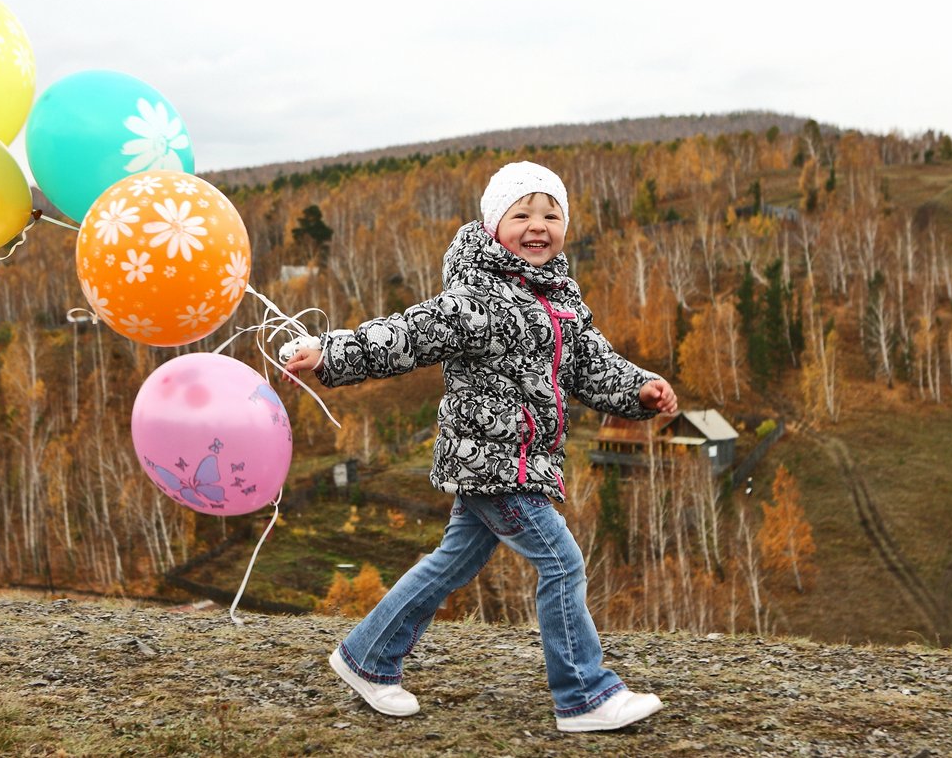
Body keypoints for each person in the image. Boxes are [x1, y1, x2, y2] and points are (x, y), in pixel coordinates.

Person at [283, 161, 678, 733]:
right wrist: (332, 353)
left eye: (551, 214)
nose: (537, 225)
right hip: (493, 463)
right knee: (561, 563)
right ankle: (586, 696)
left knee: (452, 563)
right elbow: (409, 334)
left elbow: (592, 365)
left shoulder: (560, 297)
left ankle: (367, 657)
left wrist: (640, 388)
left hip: (516, 463)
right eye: (522, 215)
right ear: (495, 225)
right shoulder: (477, 297)